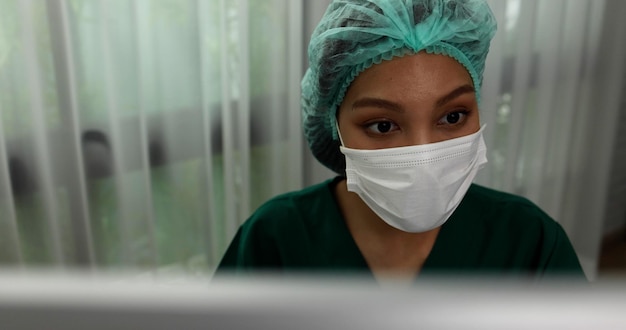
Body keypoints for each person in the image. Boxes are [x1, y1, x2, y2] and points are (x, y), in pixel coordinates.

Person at [217, 0, 586, 282]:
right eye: (382, 125)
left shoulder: (530, 243)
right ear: (333, 123)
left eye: (452, 117)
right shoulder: (274, 240)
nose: (422, 155)